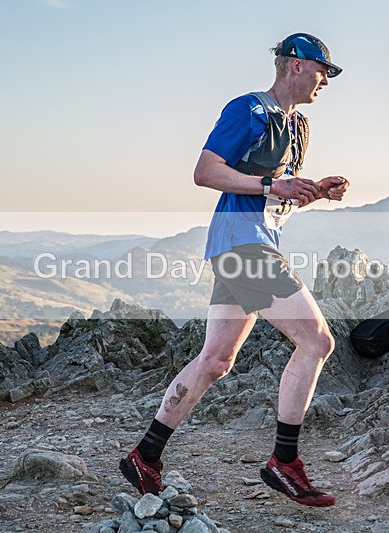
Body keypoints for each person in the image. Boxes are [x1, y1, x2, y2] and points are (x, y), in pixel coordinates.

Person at [119, 33, 349, 508]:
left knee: (216, 361)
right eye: (323, 70)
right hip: (243, 246)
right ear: (295, 67)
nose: (326, 80)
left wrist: (312, 192)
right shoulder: (248, 110)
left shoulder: (299, 126)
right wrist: (271, 183)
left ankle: (145, 454)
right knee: (317, 341)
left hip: (252, 243)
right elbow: (206, 172)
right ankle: (284, 462)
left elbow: (275, 199)